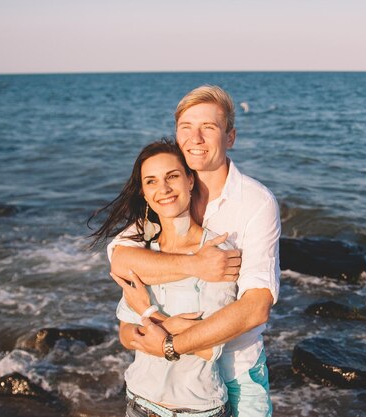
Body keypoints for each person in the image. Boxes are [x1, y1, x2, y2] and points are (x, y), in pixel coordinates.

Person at [108, 85, 281, 416]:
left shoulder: (256, 203)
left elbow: (256, 306)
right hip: (163, 385)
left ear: (230, 137)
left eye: (209, 128)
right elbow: (121, 259)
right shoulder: (167, 197)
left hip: (238, 368)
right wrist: (196, 265)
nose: (195, 138)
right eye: (186, 128)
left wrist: (168, 342)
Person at [90, 140, 234, 417]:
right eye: (151, 181)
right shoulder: (142, 255)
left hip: (197, 409)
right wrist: (171, 326)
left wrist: (148, 314)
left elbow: (211, 348)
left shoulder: (216, 254)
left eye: (172, 177)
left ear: (190, 180)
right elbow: (125, 335)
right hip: (138, 402)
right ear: (144, 193)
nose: (164, 189)